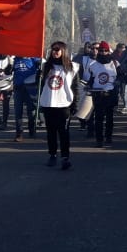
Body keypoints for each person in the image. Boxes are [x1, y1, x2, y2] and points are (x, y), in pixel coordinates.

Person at [39, 42, 78, 170]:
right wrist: (38, 76)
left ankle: (65, 157)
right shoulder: (45, 66)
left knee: (64, 133)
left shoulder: (71, 68)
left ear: (63, 51)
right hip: (49, 104)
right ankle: (52, 154)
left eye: (57, 49)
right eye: (53, 49)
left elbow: (75, 87)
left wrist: (74, 104)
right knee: (51, 132)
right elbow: (39, 85)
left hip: (64, 105)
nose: (55, 52)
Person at [85, 41, 119, 147]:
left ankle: (108, 137)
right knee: (98, 118)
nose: (103, 52)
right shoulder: (93, 65)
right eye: (101, 51)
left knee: (109, 117)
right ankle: (99, 139)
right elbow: (91, 79)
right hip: (98, 94)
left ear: (108, 51)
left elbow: (121, 76)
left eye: (105, 51)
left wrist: (118, 82)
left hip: (110, 93)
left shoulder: (115, 63)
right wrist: (88, 86)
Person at [12, 55, 42, 142]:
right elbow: (8, 71)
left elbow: (42, 66)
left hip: (30, 88)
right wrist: (8, 67)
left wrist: (40, 71)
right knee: (18, 112)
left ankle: (31, 130)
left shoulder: (33, 59)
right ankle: (19, 133)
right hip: (18, 88)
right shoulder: (15, 59)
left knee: (31, 111)